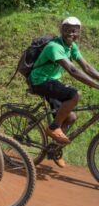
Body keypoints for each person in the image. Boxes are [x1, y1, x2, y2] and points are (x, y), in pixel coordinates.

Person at [30, 16, 99, 167]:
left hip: (52, 81)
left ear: (79, 32)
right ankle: (53, 128)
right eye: (67, 30)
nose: (71, 34)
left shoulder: (71, 46)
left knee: (71, 117)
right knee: (74, 94)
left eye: (74, 31)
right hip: (40, 80)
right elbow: (73, 70)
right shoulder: (54, 47)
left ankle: (55, 148)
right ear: (61, 30)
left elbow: (86, 68)